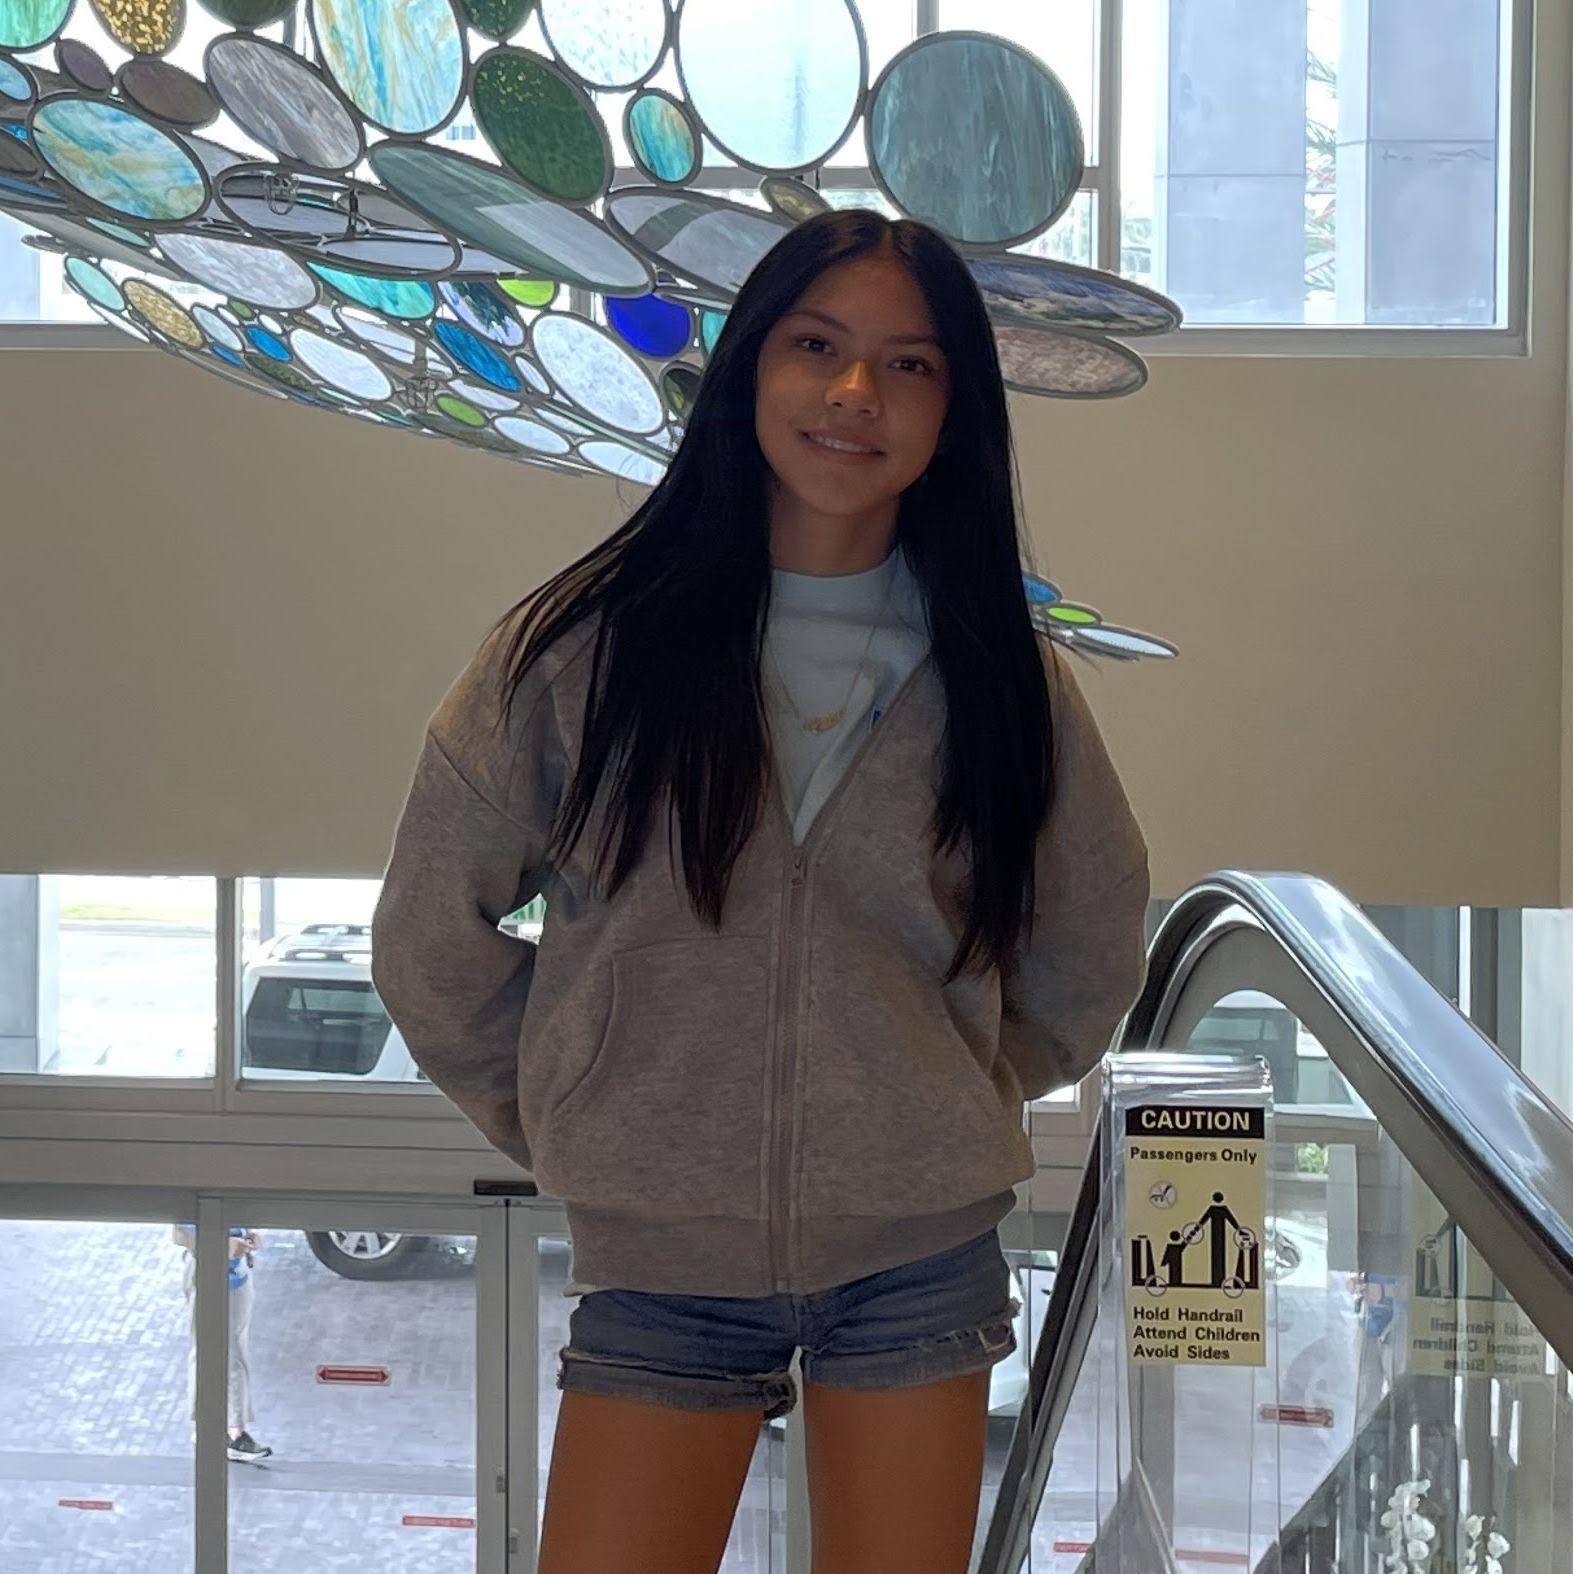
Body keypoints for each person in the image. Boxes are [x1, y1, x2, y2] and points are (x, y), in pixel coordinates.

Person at [371, 209, 1150, 1573]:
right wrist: (586, 1106)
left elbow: (1088, 932)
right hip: (658, 1263)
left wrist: (935, 1086)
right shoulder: (580, 652)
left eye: (910, 364)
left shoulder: (1005, 674)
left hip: (918, 1257)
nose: (855, 392)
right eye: (815, 345)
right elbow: (430, 934)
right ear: (747, 368)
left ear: (954, 411)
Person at [171, 1223, 272, 1462]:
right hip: (207, 1269)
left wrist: (251, 1234)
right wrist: (221, 1245)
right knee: (211, 1348)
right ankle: (217, 1429)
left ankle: (230, 1429)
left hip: (237, 1272)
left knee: (235, 1350)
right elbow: (180, 1233)